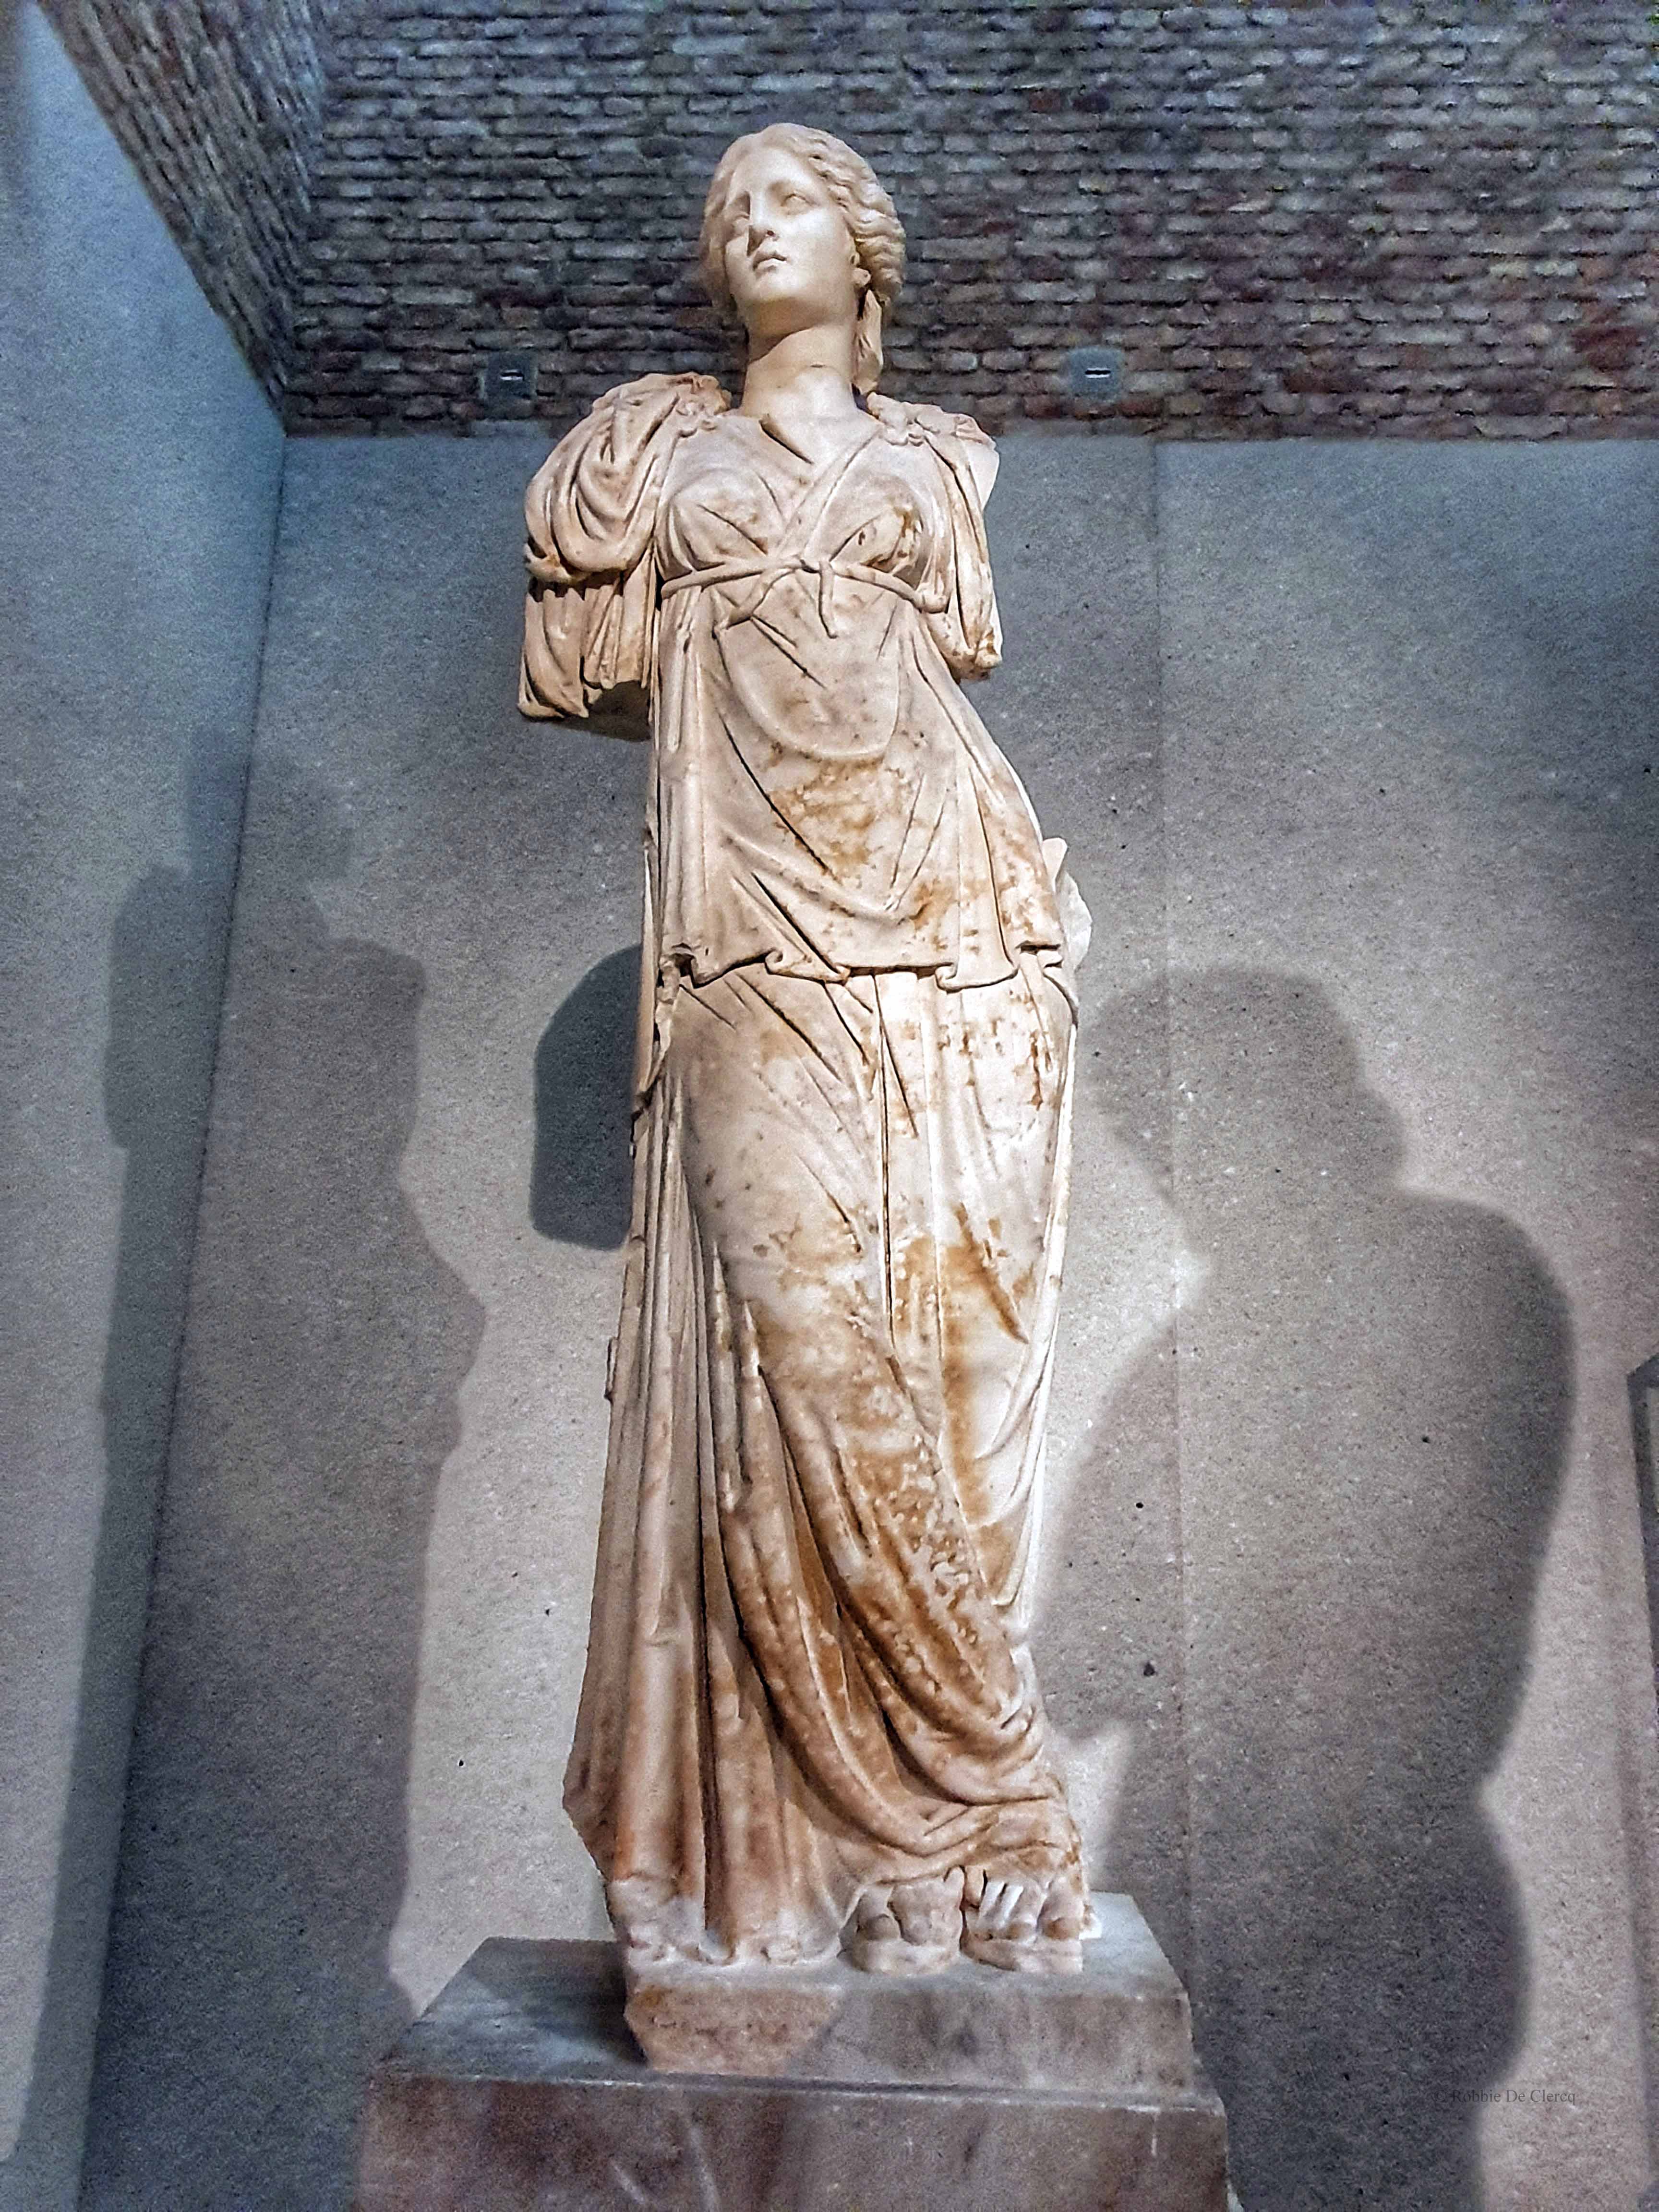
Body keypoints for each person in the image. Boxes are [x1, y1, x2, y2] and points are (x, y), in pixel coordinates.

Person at [520, 123, 1094, 1976]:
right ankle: (987, 1786)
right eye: (733, 211)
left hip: (959, 929)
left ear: (866, 251)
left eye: (793, 203)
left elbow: (946, 674)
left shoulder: (946, 460)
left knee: (949, 1365)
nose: (758, 227)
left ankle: (913, 1852)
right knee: (806, 1352)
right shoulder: (642, 460)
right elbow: (583, 663)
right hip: (748, 945)